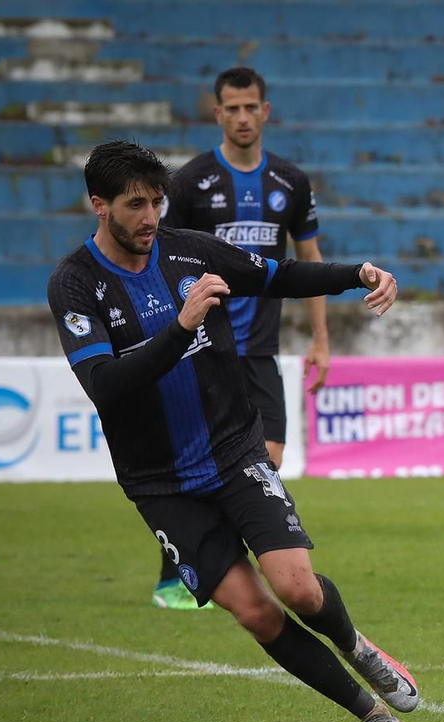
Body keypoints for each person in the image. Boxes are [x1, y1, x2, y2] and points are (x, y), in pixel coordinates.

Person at [49, 140, 418, 722]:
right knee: (254, 612)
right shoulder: (75, 284)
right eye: (134, 204)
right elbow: (105, 386)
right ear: (98, 205)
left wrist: (357, 274)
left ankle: (357, 647)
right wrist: (183, 325)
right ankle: (375, 719)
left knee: (297, 589)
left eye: (156, 201)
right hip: (161, 483)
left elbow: (278, 275)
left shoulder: (191, 251)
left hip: (232, 450)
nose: (150, 216)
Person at [152, 66, 330, 609]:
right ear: (218, 114)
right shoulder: (188, 183)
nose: (243, 117)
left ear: (265, 111)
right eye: (232, 109)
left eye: (251, 107)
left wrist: (321, 339)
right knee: (207, 466)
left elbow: (310, 259)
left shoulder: (291, 183)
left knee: (264, 463)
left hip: (262, 352)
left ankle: (209, 570)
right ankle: (177, 573)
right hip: (206, 350)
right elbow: (158, 259)